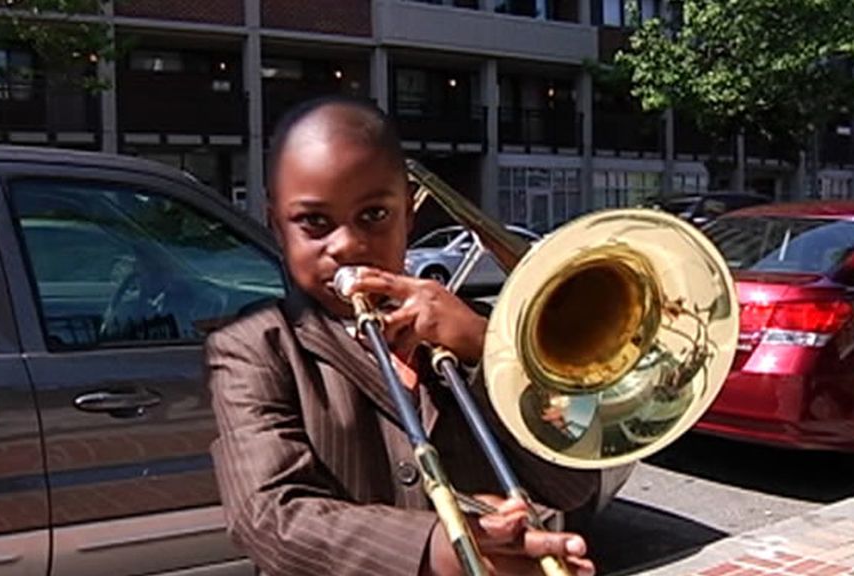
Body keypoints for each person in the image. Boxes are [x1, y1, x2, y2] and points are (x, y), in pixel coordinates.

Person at [206, 95, 599, 576]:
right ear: (277, 226)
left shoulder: (476, 329)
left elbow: (574, 484)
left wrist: (488, 346)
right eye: (313, 222)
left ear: (409, 217)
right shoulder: (254, 346)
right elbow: (268, 517)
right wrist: (445, 549)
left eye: (373, 216)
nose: (347, 244)